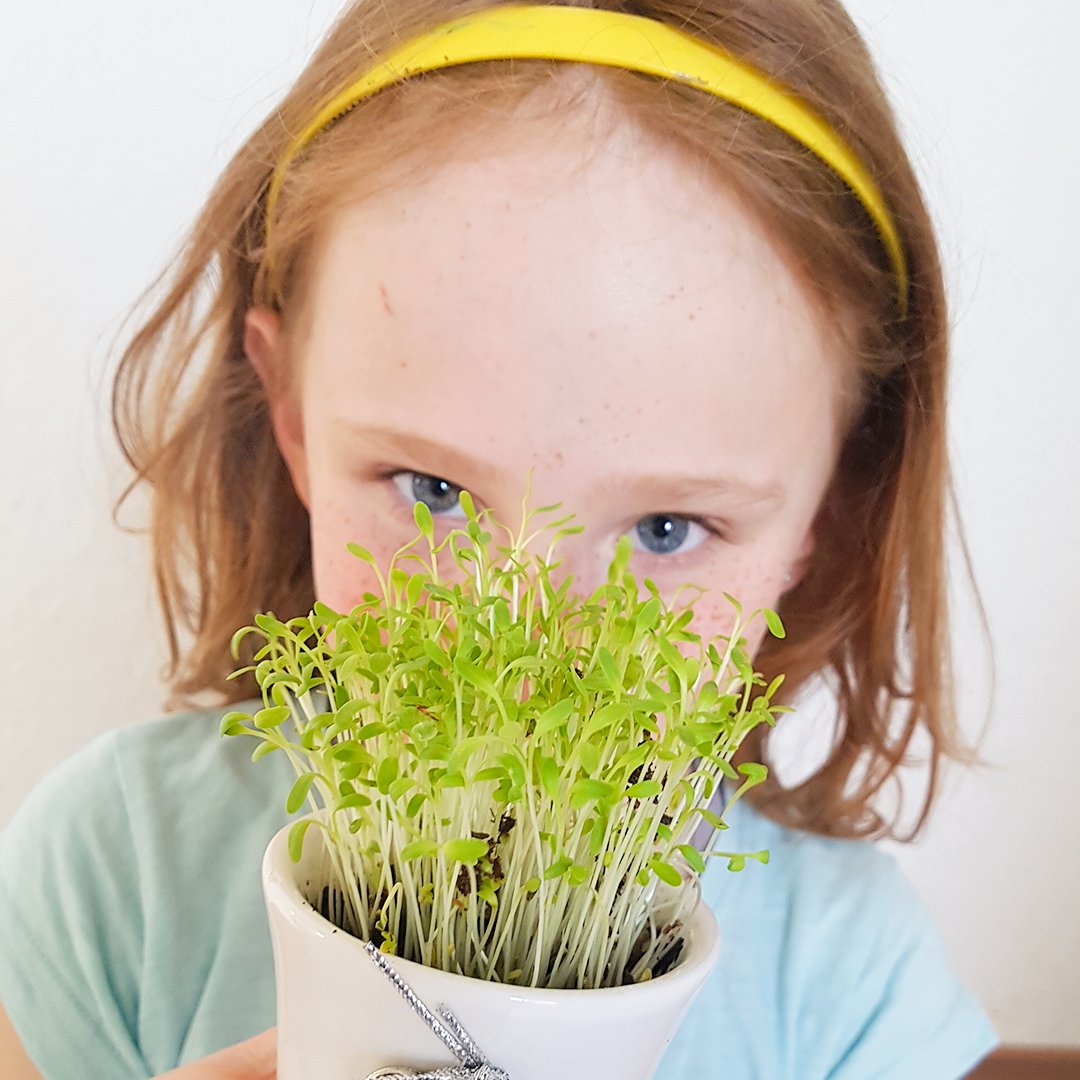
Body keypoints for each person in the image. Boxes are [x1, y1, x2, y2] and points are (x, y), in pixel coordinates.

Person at [0, 0, 1000, 1077]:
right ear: (291, 419)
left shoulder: (846, 983)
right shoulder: (117, 872)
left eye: (669, 528)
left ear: (825, 512)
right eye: (429, 489)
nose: (527, 658)